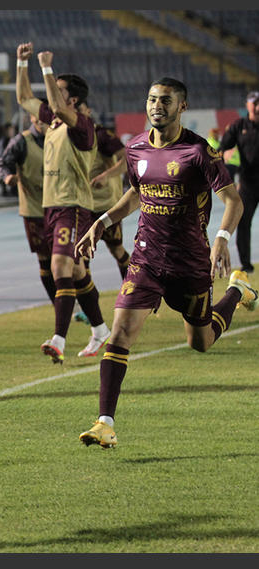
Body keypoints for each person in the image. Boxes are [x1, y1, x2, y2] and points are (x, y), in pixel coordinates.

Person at [75, 77, 257, 448]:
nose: (157, 106)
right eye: (152, 99)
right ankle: (104, 423)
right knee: (121, 331)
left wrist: (221, 240)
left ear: (182, 107)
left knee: (201, 341)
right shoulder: (136, 148)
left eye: (166, 100)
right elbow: (135, 194)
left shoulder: (198, 152)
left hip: (190, 264)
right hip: (146, 257)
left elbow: (233, 201)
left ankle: (237, 291)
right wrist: (103, 221)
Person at [15, 42, 110, 363]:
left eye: (57, 90)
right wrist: (21, 64)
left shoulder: (82, 127)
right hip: (52, 206)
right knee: (78, 271)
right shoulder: (55, 122)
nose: (51, 94)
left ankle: (58, 338)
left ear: (73, 101)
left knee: (60, 266)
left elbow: (55, 107)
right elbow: (24, 99)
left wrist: (46, 67)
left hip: (74, 205)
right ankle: (100, 329)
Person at [0, 109, 57, 305]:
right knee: (46, 260)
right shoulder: (21, 141)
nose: (41, 120)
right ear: (31, 117)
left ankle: (73, 301)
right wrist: (7, 177)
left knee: (67, 260)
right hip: (34, 209)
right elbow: (1, 164)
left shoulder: (61, 137)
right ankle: (59, 304)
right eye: (37, 115)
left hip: (61, 206)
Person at [83, 103, 130, 280]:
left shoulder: (100, 135)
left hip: (105, 205)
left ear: (87, 111)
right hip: (82, 205)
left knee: (116, 249)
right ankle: (84, 305)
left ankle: (134, 290)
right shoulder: (67, 135)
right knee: (81, 254)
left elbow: (126, 159)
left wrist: (105, 176)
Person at [217, 90, 259, 274]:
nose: (257, 107)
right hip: (248, 183)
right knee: (243, 223)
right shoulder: (239, 125)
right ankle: (246, 266)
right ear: (247, 105)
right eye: (254, 103)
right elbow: (222, 148)